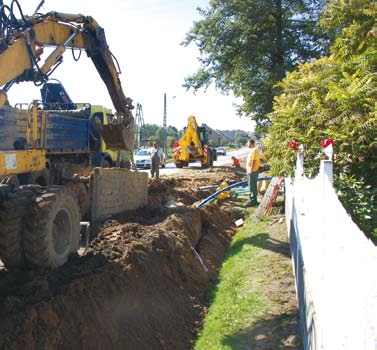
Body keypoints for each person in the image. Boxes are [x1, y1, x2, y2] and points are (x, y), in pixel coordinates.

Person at [246, 139, 260, 206]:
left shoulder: (254, 150)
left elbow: (253, 161)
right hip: (251, 171)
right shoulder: (252, 150)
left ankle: (253, 200)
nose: (247, 144)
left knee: (253, 186)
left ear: (251, 143)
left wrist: (251, 170)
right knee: (251, 186)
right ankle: (252, 199)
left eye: (248, 143)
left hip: (253, 171)